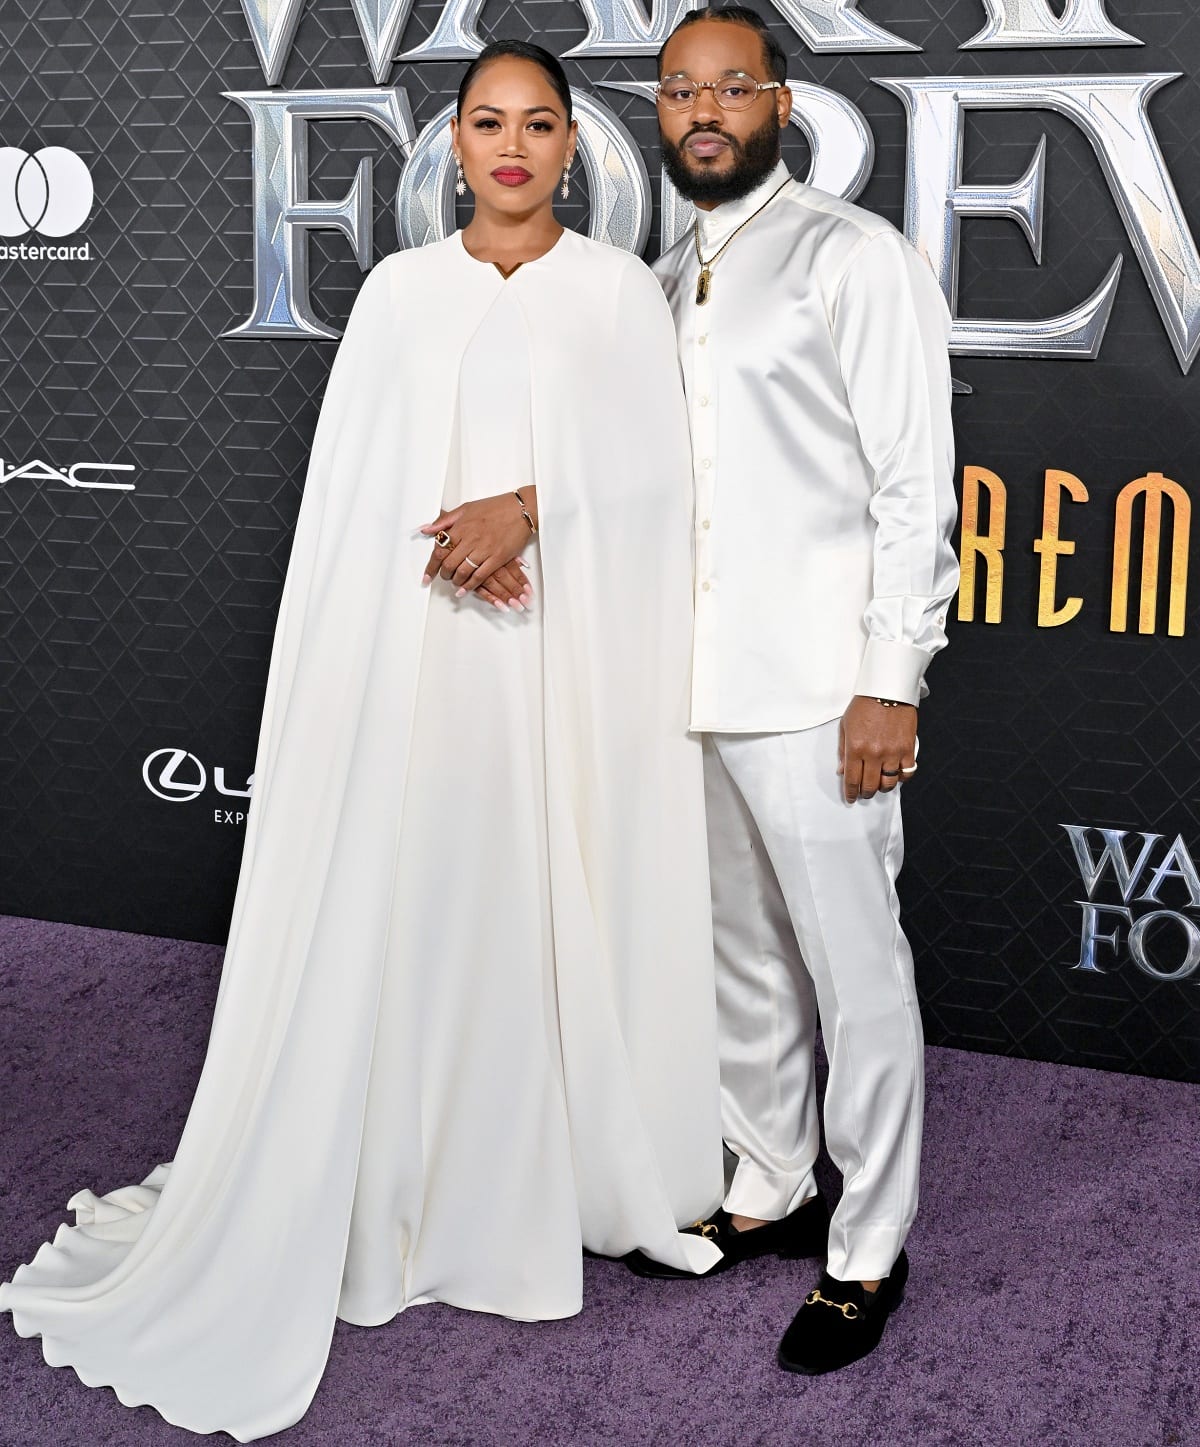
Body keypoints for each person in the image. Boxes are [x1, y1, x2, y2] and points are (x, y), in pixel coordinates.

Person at [0, 41, 724, 1439]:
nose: (512, 146)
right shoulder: (398, 296)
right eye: (486, 122)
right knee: (420, 900)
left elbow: (660, 485)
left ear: (576, 145)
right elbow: (353, 503)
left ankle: (542, 1173)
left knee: (531, 896)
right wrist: (450, 548)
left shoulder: (619, 294)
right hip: (416, 653)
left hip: (560, 663)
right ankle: (394, 1173)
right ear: (451, 143)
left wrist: (530, 510)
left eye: (539, 125)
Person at [626, 6, 959, 1377]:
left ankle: (868, 1250)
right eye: (681, 91)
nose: (706, 111)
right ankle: (769, 1182)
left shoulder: (851, 255)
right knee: (739, 958)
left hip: (823, 687)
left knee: (855, 973)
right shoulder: (652, 281)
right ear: (659, 112)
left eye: (732, 87)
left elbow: (911, 485)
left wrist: (893, 679)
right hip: (684, 682)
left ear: (780, 101)